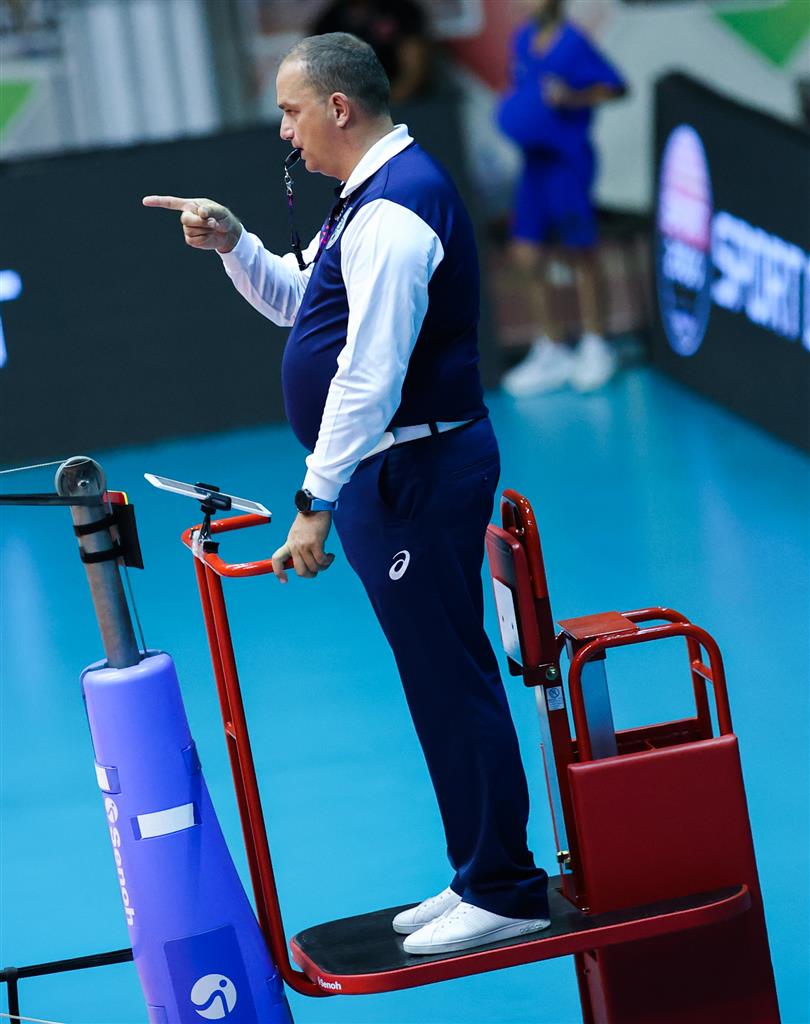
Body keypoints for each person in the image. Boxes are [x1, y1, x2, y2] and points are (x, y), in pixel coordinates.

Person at [143, 32, 549, 955]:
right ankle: (477, 872)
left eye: (291, 112)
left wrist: (313, 502)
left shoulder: (397, 212)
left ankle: (507, 887)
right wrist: (236, 243)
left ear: (338, 107)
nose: (285, 133)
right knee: (434, 681)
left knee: (451, 681)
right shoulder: (364, 200)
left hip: (416, 474)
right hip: (392, 473)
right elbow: (303, 305)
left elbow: (368, 376)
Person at [498, 0, 627, 396]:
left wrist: (572, 98)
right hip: (533, 163)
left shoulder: (574, 42)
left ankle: (596, 344)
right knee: (525, 253)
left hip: (568, 160)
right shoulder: (522, 40)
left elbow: (615, 87)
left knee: (579, 251)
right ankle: (552, 348)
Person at [311, 0, 431, 103]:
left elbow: (414, 67)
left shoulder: (401, 10)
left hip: (399, 101)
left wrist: (387, 105)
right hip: (348, 100)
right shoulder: (331, 16)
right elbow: (319, 67)